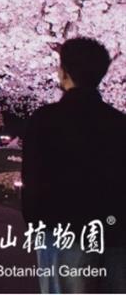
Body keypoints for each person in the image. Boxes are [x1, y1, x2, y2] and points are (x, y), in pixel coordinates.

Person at [22, 38, 126, 294]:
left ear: (64, 72)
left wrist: (36, 223)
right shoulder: (119, 123)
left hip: (61, 231)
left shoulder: (44, 120)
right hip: (113, 235)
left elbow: (33, 181)